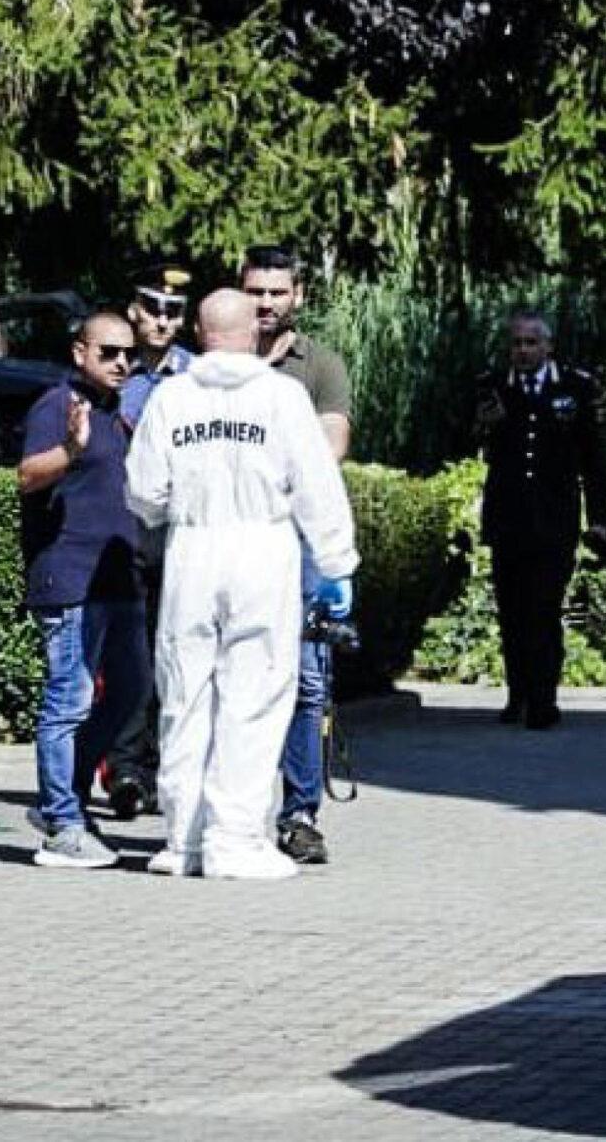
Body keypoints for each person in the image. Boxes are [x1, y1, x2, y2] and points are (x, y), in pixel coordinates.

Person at [124, 288, 358, 880]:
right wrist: (337, 563)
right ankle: (237, 839)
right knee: (255, 693)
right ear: (253, 330)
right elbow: (316, 484)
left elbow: (144, 494)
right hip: (262, 548)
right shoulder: (281, 397)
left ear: (199, 334)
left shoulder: (172, 398)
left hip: (193, 549)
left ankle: (184, 839)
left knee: (184, 693)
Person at [16, 309, 151, 869]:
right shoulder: (58, 406)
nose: (121, 363)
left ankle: (65, 799)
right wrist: (70, 450)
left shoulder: (116, 412)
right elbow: (26, 475)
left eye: (128, 354)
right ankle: (61, 824)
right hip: (70, 579)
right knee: (67, 701)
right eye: (108, 353)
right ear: (79, 354)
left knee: (130, 690)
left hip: (118, 581)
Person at [242, 244, 351, 866]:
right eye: (256, 291)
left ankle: (301, 813)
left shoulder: (321, 365)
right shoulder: (211, 363)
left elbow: (329, 448)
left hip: (299, 545)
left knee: (307, 682)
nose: (266, 303)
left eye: (277, 292)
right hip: (230, 542)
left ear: (297, 296)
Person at [475, 309, 606, 730]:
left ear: (548, 347)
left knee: (544, 609)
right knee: (512, 610)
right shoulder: (491, 388)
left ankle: (544, 699)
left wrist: (599, 518)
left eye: (531, 343)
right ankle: (517, 695)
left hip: (555, 519)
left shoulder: (574, 388)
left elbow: (593, 458)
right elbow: (470, 439)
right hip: (508, 519)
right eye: (516, 343)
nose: (523, 351)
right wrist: (482, 426)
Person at [105, 259, 197, 820]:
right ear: (135, 311)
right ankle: (126, 772)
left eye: (173, 312)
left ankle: (167, 767)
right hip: (124, 533)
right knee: (127, 655)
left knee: (174, 655)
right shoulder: (116, 371)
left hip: (179, 534)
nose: (162, 321)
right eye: (154, 309)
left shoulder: (198, 378)